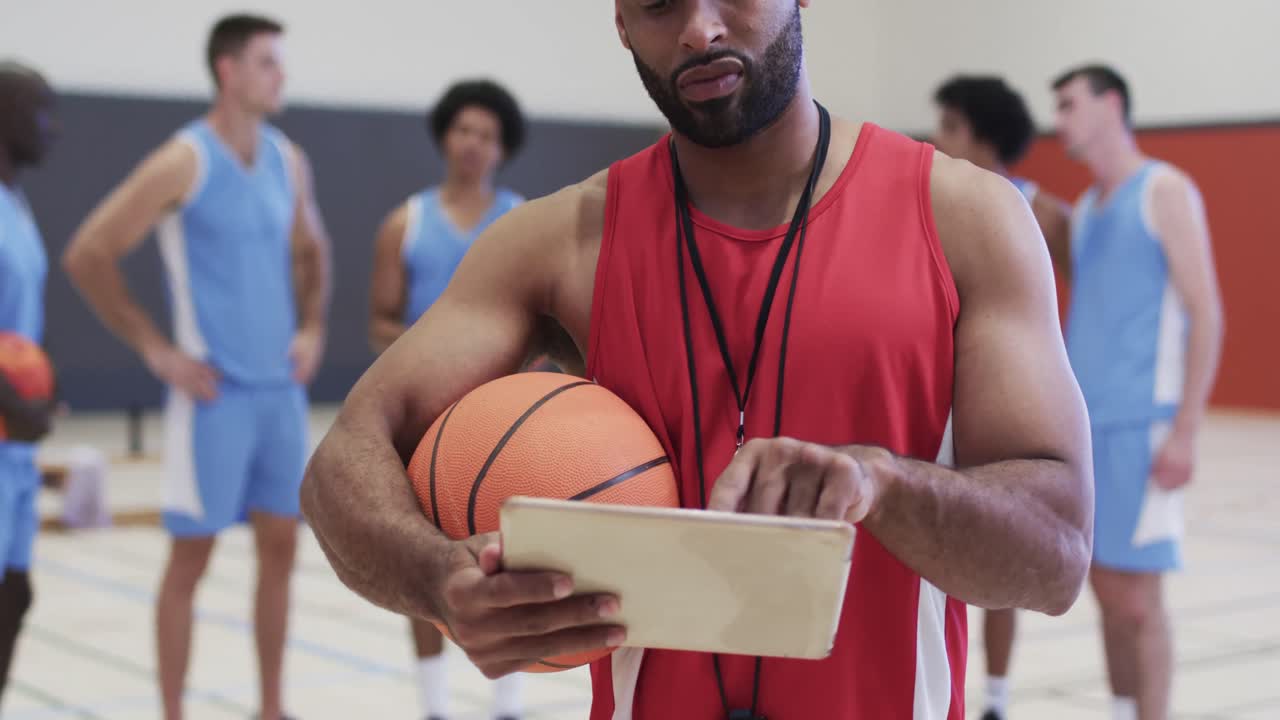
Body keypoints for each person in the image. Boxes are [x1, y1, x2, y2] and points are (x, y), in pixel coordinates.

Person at [301, 2, 1095, 718]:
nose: (698, 29)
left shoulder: (966, 218)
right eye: (658, 4)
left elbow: (1056, 555)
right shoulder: (556, 244)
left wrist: (883, 484)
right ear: (620, 22)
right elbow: (346, 456)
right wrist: (436, 578)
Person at [62, 14, 332, 720]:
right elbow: (89, 251)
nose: (282, 75)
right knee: (191, 560)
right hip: (213, 394)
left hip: (281, 394)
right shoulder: (183, 160)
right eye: (269, 62)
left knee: (280, 548)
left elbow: (313, 250)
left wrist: (312, 326)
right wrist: (156, 349)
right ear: (228, 70)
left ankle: (272, 707)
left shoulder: (287, 158)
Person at [1052, 64, 1223, 720]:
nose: (1060, 118)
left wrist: (1185, 431)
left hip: (1142, 428)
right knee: (1101, 590)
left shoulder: (1166, 190)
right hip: (1086, 429)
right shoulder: (1090, 206)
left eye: (1069, 103)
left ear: (1111, 104)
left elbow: (1206, 312)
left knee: (1138, 602)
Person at [368, 78, 528, 720]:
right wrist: (435, 349)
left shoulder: (522, 221)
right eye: (464, 130)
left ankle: (508, 702)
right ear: (445, 137)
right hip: (425, 421)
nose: (473, 143)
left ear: (502, 148)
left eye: (486, 135)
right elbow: (379, 321)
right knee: (424, 565)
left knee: (514, 559)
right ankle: (434, 705)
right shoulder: (404, 222)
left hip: (506, 420)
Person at [932, 74, 1073, 720]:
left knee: (1002, 556)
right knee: (943, 552)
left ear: (984, 135)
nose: (939, 137)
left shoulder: (1045, 214)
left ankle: (995, 696)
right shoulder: (937, 199)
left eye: (952, 126)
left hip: (1006, 395)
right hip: (945, 397)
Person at [0, 60, 58, 706]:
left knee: (15, 594)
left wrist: (43, 385)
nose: (55, 128)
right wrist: (12, 400)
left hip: (15, 445)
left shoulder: (16, 200)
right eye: (41, 110)